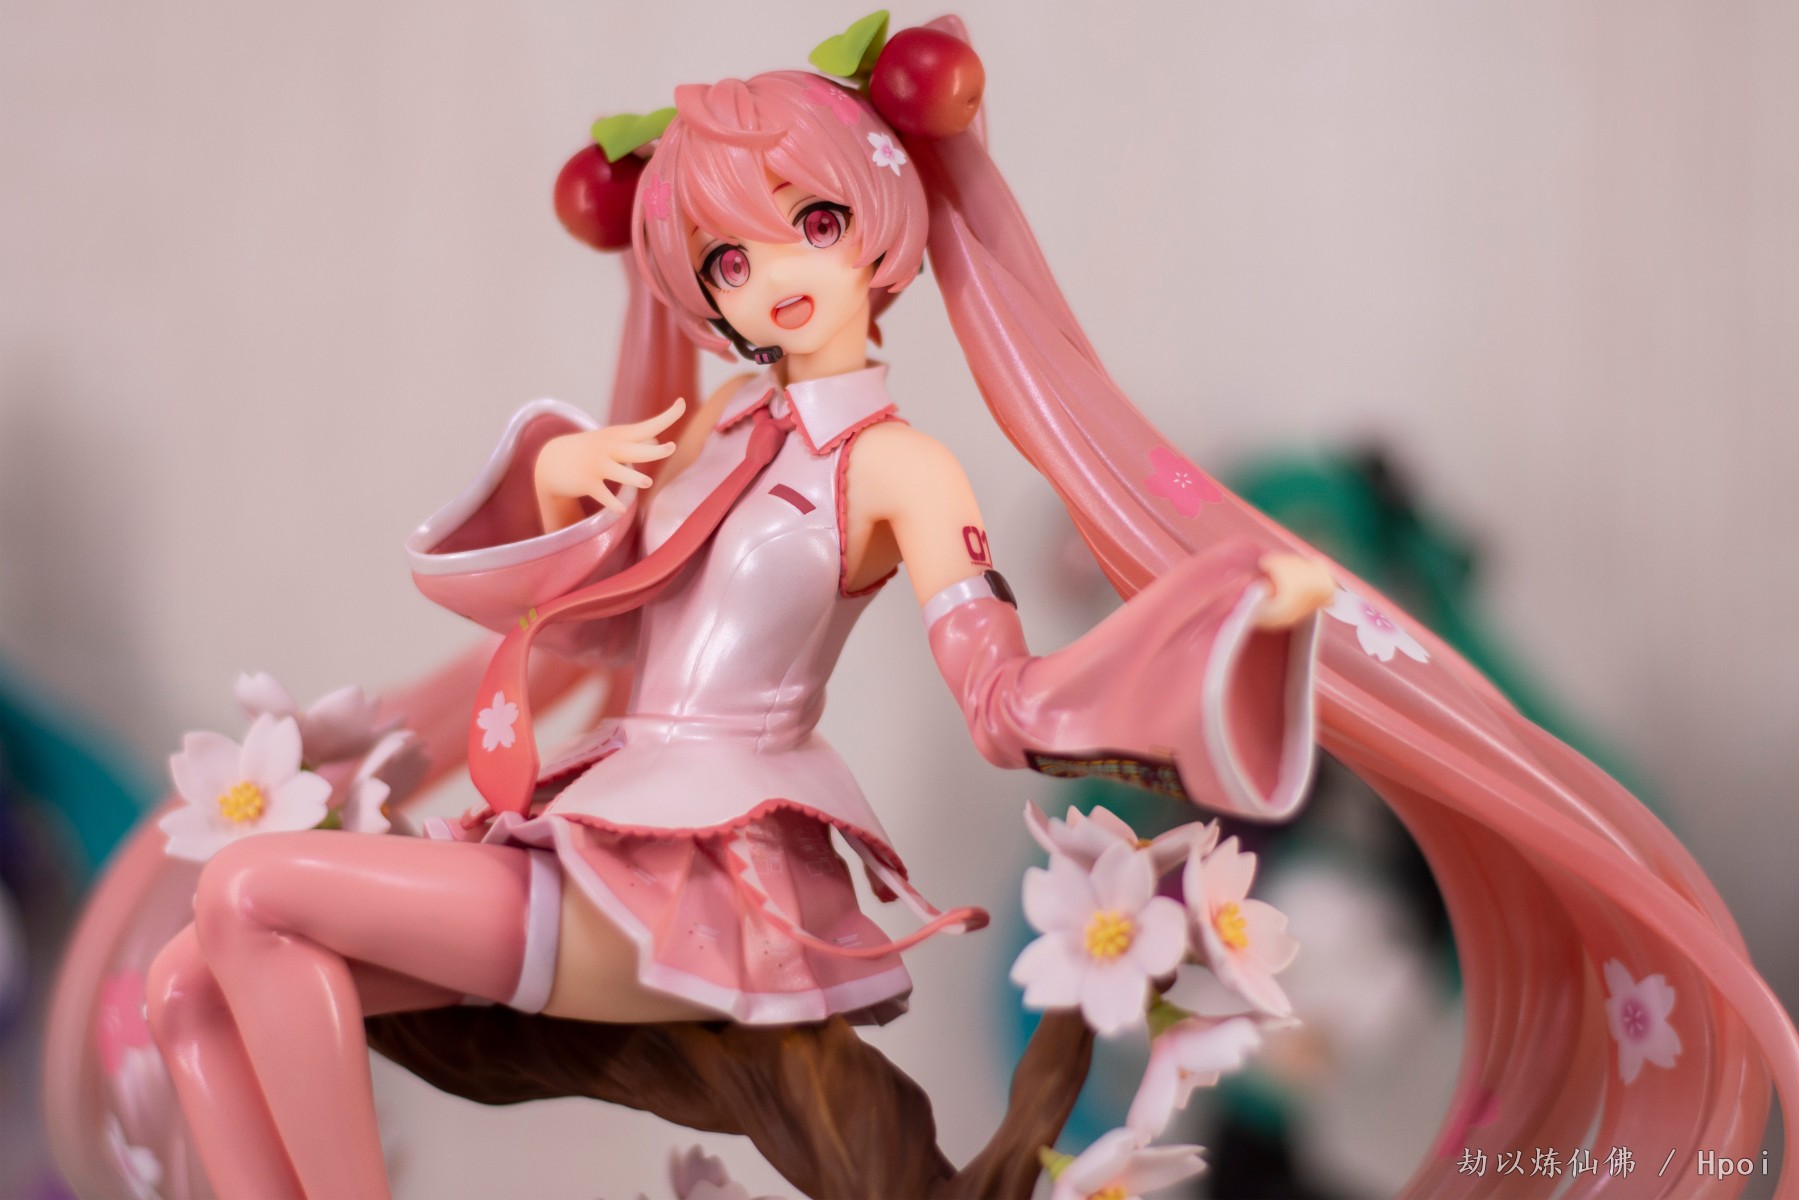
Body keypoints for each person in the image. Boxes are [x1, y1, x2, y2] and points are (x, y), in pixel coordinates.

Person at [47, 16, 1799, 1200]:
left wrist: (1215, 638)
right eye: (725, 261)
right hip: (575, 832)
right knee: (198, 980)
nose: (768, 281)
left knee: (253, 887)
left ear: (873, 224)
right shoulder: (701, 445)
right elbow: (524, 620)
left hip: (694, 888)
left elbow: (1005, 698)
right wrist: (564, 479)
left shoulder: (896, 470)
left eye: (803, 225)